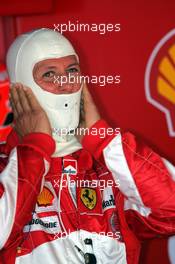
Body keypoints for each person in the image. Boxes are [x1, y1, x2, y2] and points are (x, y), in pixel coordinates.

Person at [0, 28, 175, 264]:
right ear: (21, 87)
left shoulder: (110, 165)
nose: (66, 84)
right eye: (49, 74)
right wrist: (34, 149)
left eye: (71, 71)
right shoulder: (5, 168)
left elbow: (170, 211)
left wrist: (101, 138)